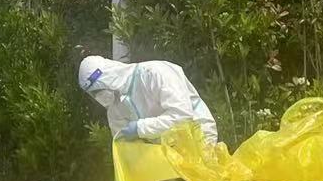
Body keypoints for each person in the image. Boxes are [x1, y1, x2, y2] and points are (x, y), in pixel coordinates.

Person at [77, 55, 218, 144]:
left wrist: (140, 128)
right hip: (167, 152)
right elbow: (124, 146)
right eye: (92, 94)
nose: (97, 96)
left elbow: (182, 115)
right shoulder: (115, 108)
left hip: (199, 137)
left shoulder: (155, 73)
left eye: (96, 90)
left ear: (105, 76)